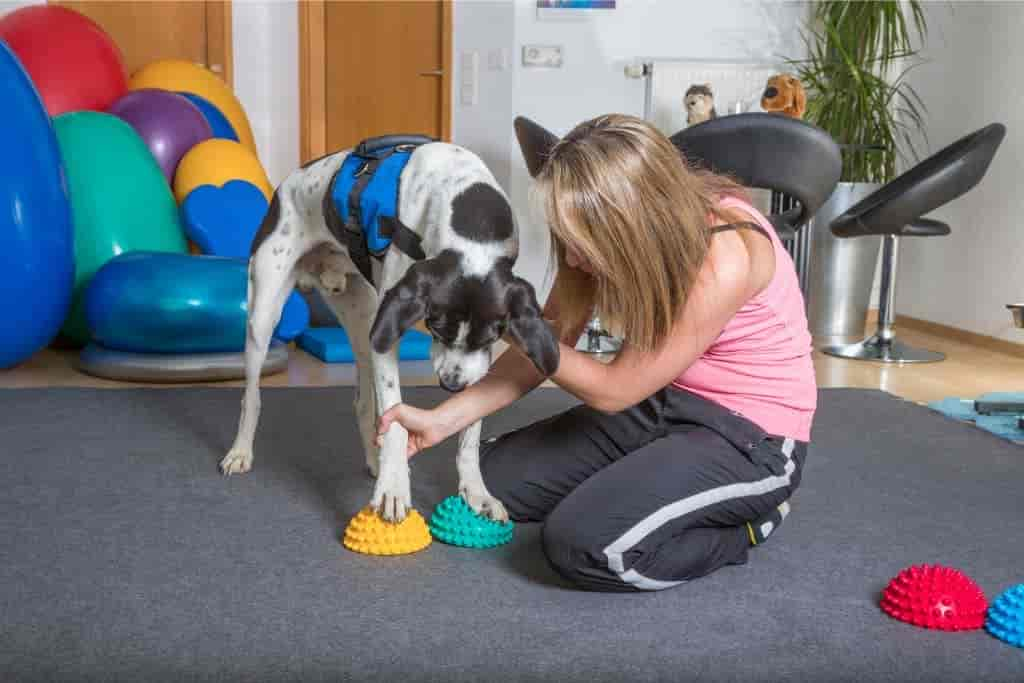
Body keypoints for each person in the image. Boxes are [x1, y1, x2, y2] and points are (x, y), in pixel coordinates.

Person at [378, 114, 816, 592]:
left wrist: (506, 321)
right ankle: (648, 479)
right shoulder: (591, 229)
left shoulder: (724, 257)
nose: (571, 260)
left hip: (747, 438)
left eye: (583, 246)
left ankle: (746, 526)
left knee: (584, 545)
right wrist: (447, 417)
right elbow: (556, 334)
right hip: (657, 402)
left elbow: (613, 390)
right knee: (494, 481)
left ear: (629, 224)